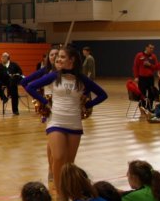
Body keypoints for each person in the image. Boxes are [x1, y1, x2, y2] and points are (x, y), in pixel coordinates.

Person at [25, 46, 108, 192]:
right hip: (56, 120)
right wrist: (44, 102)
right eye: (58, 57)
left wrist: (87, 105)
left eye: (62, 57)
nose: (58, 59)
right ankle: (60, 192)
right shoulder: (54, 76)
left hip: (74, 122)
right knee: (58, 156)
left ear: (72, 60)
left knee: (69, 163)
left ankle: (67, 189)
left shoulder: (81, 79)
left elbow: (102, 95)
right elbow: (30, 86)